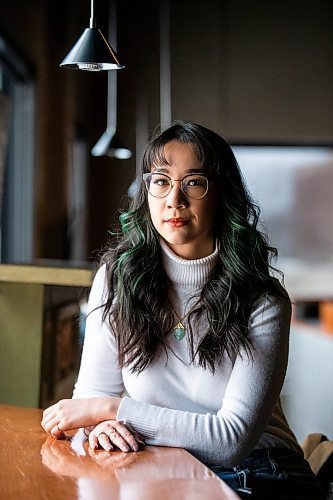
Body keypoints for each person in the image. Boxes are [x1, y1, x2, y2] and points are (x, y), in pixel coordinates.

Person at [42, 122, 323, 499]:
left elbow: (230, 440)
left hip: (260, 469)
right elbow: (89, 395)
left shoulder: (263, 299)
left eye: (194, 182)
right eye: (160, 181)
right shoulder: (117, 279)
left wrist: (113, 410)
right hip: (164, 462)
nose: (175, 199)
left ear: (222, 194)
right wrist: (99, 426)